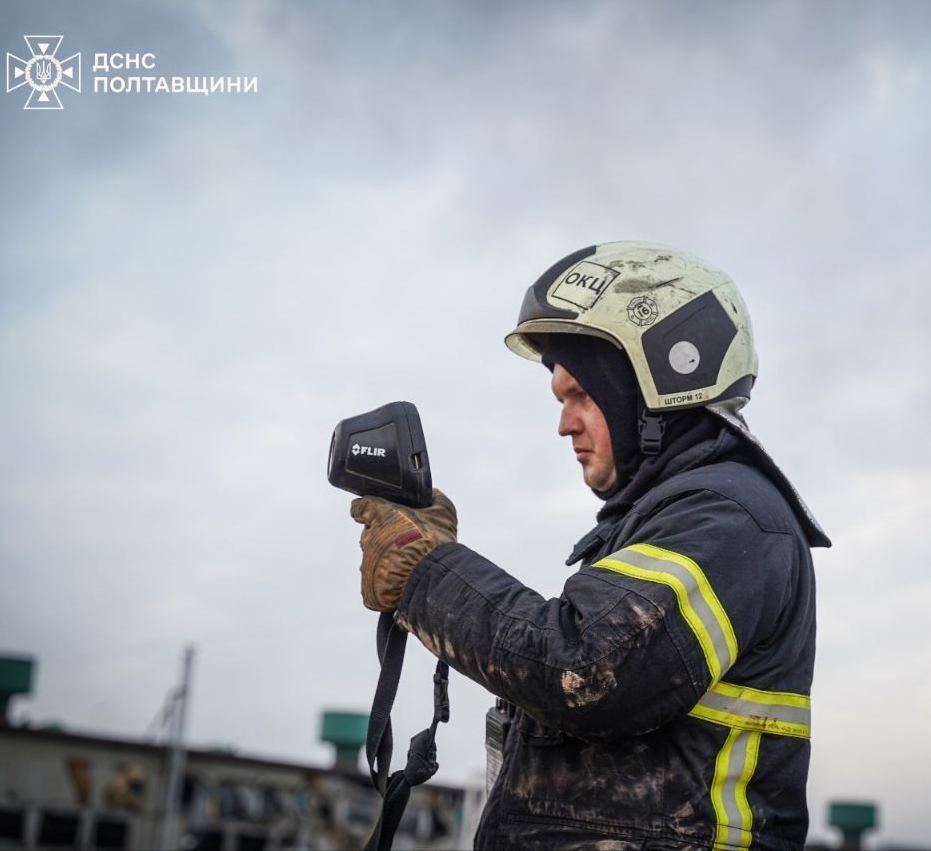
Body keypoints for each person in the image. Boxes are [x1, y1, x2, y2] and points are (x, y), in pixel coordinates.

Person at [350, 241, 830, 850]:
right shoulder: (664, 521)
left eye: (581, 395)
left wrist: (425, 572)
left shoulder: (729, 519)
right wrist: (437, 561)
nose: (564, 423)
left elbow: (584, 670)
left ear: (656, 386)